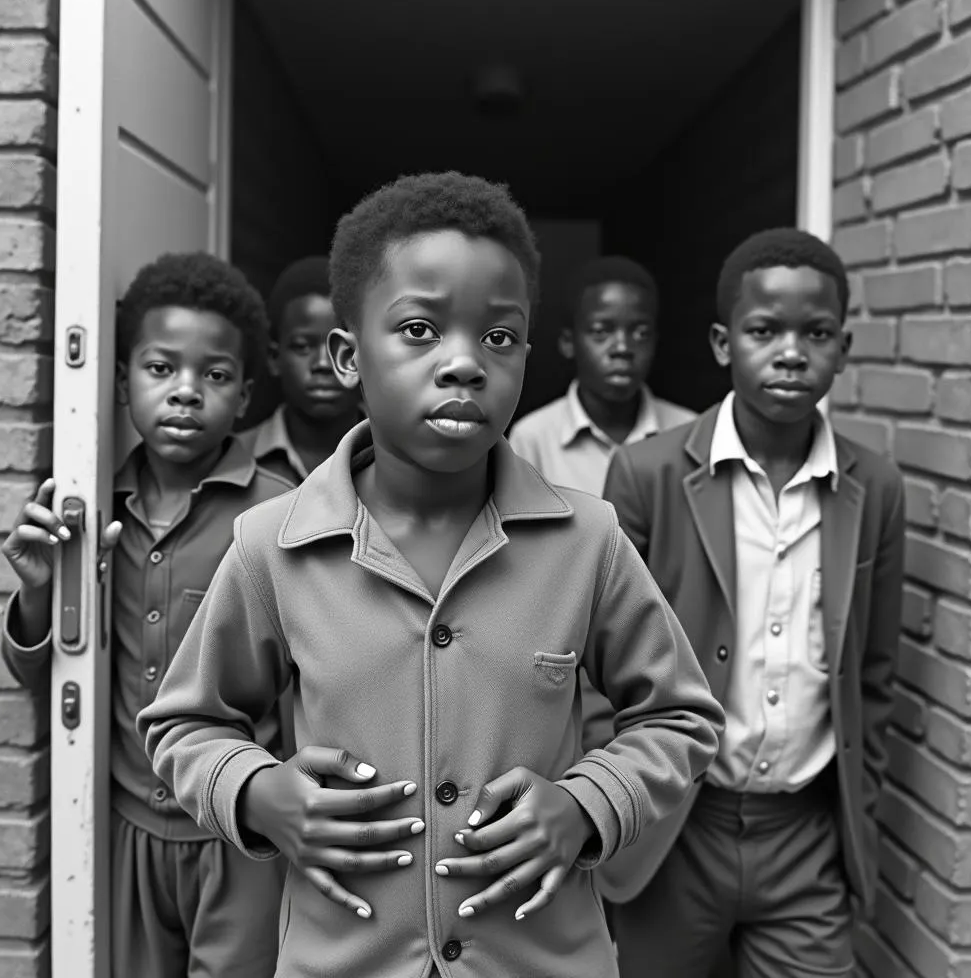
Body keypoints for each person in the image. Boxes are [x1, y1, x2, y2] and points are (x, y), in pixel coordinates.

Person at [138, 171, 725, 978]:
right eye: (419, 329)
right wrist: (257, 793)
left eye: (499, 337)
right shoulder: (273, 544)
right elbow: (182, 727)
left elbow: (681, 719)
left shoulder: (588, 540)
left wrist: (587, 804)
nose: (463, 365)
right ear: (348, 357)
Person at [593, 229, 905, 978]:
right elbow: (600, 670)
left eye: (817, 334)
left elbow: (874, 672)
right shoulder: (647, 475)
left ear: (844, 346)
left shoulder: (877, 486)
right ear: (722, 342)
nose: (791, 352)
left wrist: (853, 818)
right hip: (676, 828)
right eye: (765, 330)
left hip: (804, 832)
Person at [0, 252, 294, 978]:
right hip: (125, 827)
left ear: (247, 394)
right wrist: (40, 590)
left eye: (215, 376)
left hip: (239, 836)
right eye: (161, 370)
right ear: (122, 376)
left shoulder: (279, 513)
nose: (186, 393)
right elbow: (51, 675)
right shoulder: (92, 509)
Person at [508, 255, 694, 498]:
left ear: (656, 341)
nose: (622, 348)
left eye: (640, 333)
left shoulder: (689, 431)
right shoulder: (533, 439)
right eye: (601, 331)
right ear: (568, 342)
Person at [239, 255, 363, 486]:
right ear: (275, 358)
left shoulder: (400, 457)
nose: (324, 364)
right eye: (303, 347)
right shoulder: (232, 460)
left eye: (342, 348)